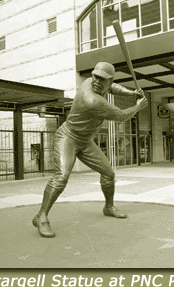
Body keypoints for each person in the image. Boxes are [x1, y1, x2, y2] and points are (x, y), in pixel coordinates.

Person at [32, 62, 148, 238]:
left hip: (85, 142)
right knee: (61, 177)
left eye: (102, 79)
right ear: (92, 76)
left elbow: (113, 88)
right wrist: (139, 106)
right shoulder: (93, 100)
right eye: (95, 76)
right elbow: (122, 116)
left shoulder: (91, 82)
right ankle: (41, 217)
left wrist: (131, 93)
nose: (96, 81)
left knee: (108, 173)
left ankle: (108, 207)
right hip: (68, 138)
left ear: (109, 81)